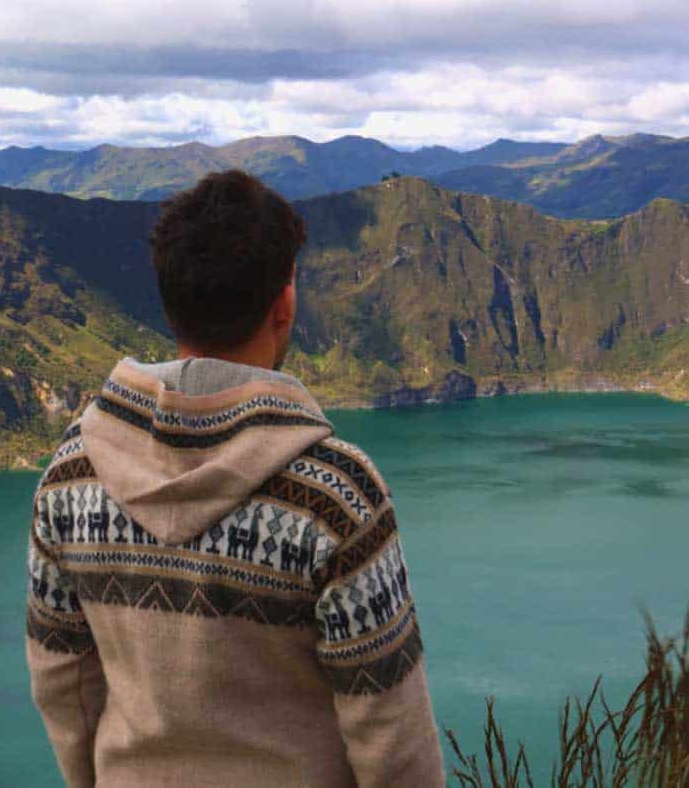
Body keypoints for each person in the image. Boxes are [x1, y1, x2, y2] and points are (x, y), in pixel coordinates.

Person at [25, 169, 446, 787]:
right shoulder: (334, 496)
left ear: (168, 301)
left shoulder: (69, 478)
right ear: (284, 302)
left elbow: (64, 684)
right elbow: (392, 733)